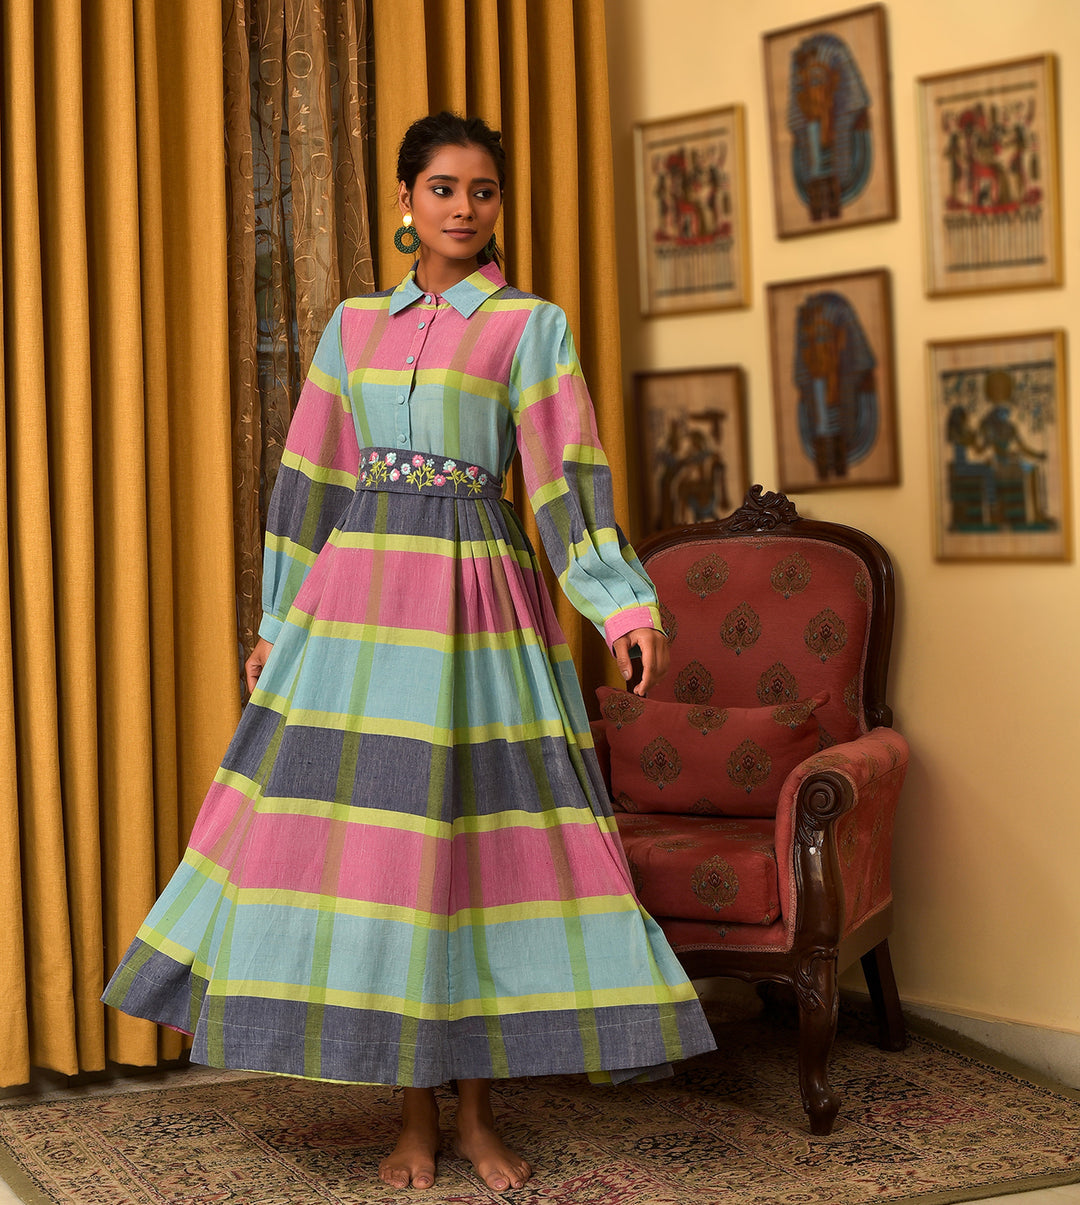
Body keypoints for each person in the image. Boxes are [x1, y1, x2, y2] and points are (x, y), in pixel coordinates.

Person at [103, 111, 716, 1194]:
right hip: (357, 617)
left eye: (483, 190)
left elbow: (566, 476)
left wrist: (622, 607)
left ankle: (478, 1119)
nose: (463, 208)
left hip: (479, 612)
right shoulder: (352, 328)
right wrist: (276, 621)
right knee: (380, 866)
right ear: (404, 200)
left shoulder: (529, 325)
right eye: (442, 188)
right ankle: (413, 1120)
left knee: (475, 856)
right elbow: (310, 478)